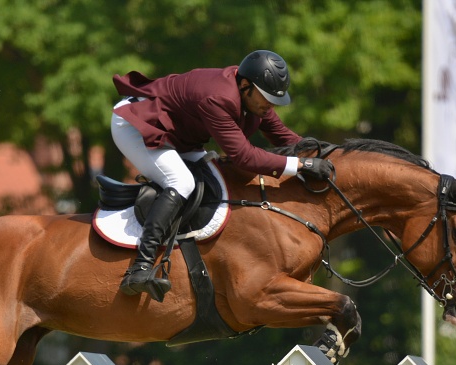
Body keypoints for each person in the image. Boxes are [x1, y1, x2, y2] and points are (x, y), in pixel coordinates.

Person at [109, 50, 333, 300]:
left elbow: (284, 137)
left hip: (179, 134)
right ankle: (140, 267)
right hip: (138, 125)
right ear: (245, 86)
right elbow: (244, 156)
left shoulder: (252, 96)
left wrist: (328, 156)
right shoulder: (219, 98)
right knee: (181, 182)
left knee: (218, 177)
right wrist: (302, 165)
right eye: (267, 98)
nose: (270, 106)